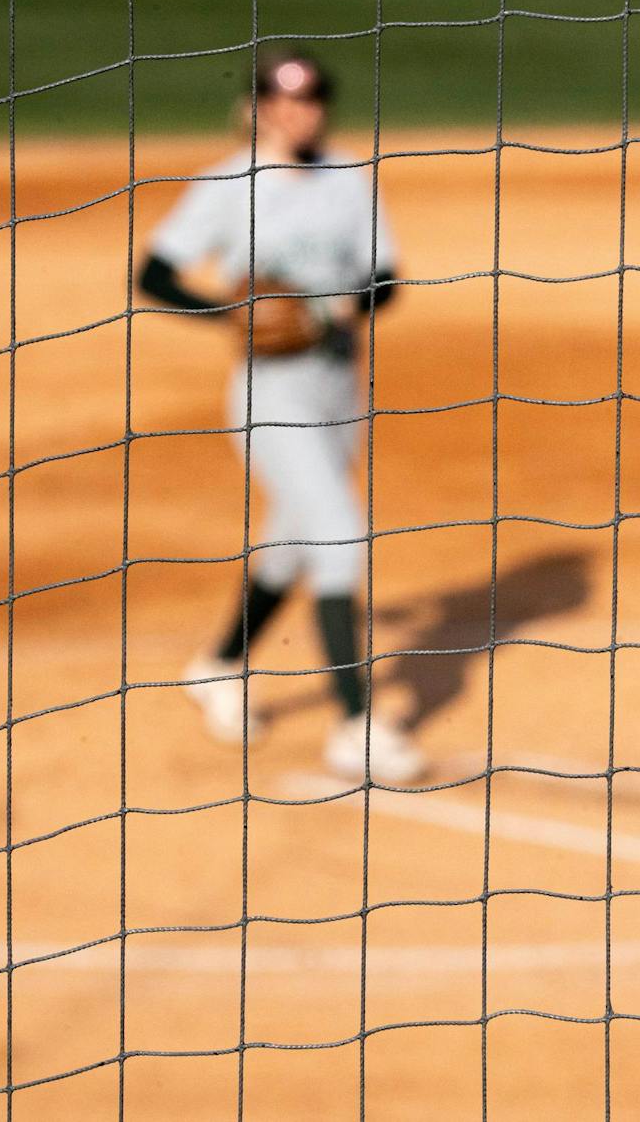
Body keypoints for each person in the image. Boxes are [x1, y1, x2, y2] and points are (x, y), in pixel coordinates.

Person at [136, 50, 427, 786]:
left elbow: (385, 277)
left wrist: (337, 310)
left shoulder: (346, 179)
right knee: (341, 536)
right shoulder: (230, 184)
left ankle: (218, 666)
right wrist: (232, 310)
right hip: (270, 397)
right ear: (260, 104)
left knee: (293, 543)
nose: (300, 110)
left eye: (313, 97)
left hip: (340, 393)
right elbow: (154, 274)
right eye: (284, 97)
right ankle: (357, 725)